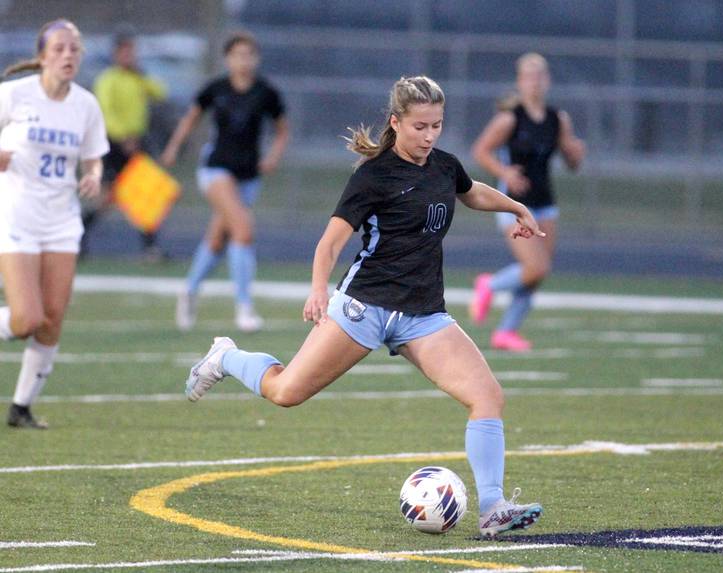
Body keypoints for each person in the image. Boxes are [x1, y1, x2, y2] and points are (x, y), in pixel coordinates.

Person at [184, 76, 545, 537]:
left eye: (437, 125)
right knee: (286, 392)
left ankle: (493, 507)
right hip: (364, 308)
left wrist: (517, 208)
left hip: (423, 315)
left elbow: (471, 190)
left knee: (487, 396)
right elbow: (331, 242)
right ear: (396, 123)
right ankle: (226, 356)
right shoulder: (372, 177)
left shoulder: (443, 166)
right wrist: (319, 289)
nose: (430, 135)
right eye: (420, 126)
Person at [0, 20, 109, 428]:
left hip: (62, 221)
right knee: (27, 318)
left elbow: (94, 155)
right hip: (15, 216)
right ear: (43, 55)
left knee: (52, 318)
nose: (68, 55)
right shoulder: (12, 95)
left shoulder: (86, 105)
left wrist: (94, 175)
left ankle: (21, 407)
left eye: (75, 49)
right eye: (60, 48)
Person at [161, 31, 288, 333]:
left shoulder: (266, 92)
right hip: (215, 170)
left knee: (218, 239)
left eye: (249, 55)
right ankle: (244, 308)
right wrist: (173, 147)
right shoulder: (215, 89)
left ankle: (189, 290)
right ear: (228, 58)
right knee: (243, 230)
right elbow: (191, 118)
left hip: (248, 176)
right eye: (238, 55)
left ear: (256, 58)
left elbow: (283, 130)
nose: (244, 60)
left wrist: (272, 157)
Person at [470, 53, 585, 351]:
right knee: (535, 267)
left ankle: (506, 332)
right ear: (520, 82)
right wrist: (505, 171)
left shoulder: (558, 119)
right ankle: (489, 286)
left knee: (537, 274)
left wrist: (575, 153)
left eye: (539, 76)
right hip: (513, 203)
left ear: (547, 80)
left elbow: (572, 162)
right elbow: (481, 151)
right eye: (528, 76)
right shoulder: (510, 118)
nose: (534, 82)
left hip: (545, 202)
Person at [85, 29, 168, 262]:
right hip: (115, 144)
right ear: (115, 54)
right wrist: (123, 138)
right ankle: (78, 236)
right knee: (107, 198)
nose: (129, 56)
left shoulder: (137, 78)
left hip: (137, 142)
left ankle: (150, 248)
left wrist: (141, 76)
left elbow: (160, 92)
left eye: (131, 52)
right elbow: (106, 112)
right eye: (124, 52)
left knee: (146, 194)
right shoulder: (108, 79)